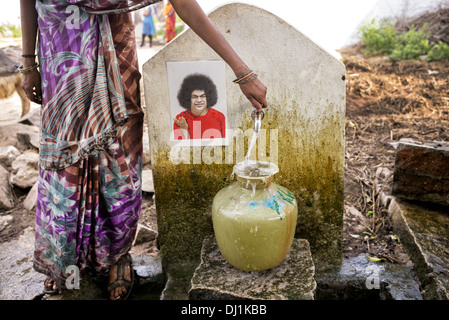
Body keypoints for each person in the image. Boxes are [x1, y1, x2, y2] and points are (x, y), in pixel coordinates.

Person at [20, 0, 267, 300]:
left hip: (115, 49)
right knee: (66, 159)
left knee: (118, 153)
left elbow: (183, 3)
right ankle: (65, 261)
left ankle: (117, 255)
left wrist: (241, 71)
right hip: (60, 52)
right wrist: (27, 61)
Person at [174, 73, 225, 140]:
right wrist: (184, 129)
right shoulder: (180, 119)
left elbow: (225, 144)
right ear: (188, 98)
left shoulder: (219, 117)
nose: (199, 100)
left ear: (208, 97)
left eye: (202, 96)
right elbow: (179, 148)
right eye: (194, 97)